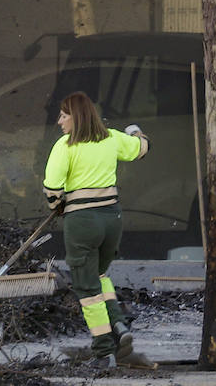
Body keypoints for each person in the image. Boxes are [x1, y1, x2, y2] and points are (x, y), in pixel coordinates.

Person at [42, 91, 149, 369]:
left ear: (75, 117)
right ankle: (120, 325)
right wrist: (137, 132)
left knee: (86, 288)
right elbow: (141, 148)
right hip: (112, 219)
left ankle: (103, 353)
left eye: (63, 115)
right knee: (99, 276)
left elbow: (52, 189)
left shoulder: (65, 146)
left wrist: (58, 205)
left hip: (83, 222)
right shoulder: (112, 138)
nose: (59, 121)